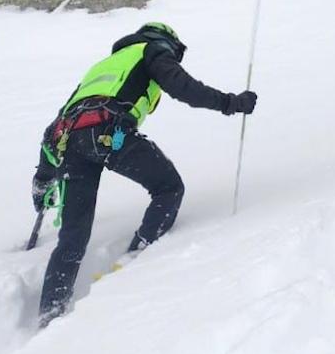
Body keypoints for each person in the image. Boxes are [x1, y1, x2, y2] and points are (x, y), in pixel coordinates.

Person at [30, 22, 257, 325]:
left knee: (72, 237)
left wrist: (43, 181)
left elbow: (54, 129)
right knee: (168, 188)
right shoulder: (152, 50)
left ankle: (50, 313)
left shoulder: (100, 68)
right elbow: (183, 87)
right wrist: (232, 103)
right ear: (166, 42)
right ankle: (138, 259)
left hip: (71, 143)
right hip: (109, 133)